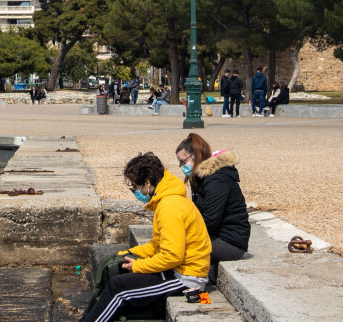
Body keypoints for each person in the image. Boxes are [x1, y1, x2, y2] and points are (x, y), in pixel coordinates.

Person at [80, 152, 211, 322]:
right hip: (175, 271)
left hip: (186, 279)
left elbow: (172, 256)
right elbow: (157, 244)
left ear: (147, 183)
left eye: (135, 187)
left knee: (119, 290)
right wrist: (128, 253)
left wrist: (138, 266)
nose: (135, 192)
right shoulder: (165, 201)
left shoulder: (170, 207)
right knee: (113, 276)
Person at [175, 134, 250, 282]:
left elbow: (211, 220)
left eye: (183, 162)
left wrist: (186, 235)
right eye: (180, 164)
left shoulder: (216, 179)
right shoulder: (201, 178)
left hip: (230, 241)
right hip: (216, 237)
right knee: (173, 245)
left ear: (194, 156)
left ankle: (193, 287)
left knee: (178, 251)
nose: (183, 167)